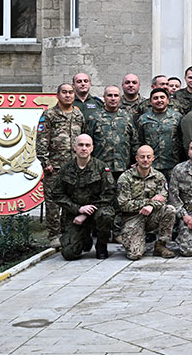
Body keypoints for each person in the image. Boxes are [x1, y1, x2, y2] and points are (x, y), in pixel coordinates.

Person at [49, 134, 116, 260]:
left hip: (97, 211)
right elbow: (57, 194)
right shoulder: (66, 169)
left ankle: (101, 245)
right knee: (69, 254)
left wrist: (85, 213)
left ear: (92, 148)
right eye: (80, 145)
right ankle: (85, 238)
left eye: (87, 145)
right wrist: (78, 209)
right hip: (74, 215)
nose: (84, 148)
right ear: (74, 147)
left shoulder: (101, 168)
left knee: (106, 215)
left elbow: (109, 194)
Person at [36, 83, 86, 244]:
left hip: (74, 167)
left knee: (71, 200)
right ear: (57, 95)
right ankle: (54, 235)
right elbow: (41, 140)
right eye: (64, 92)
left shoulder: (78, 115)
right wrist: (45, 162)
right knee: (52, 201)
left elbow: (83, 140)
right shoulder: (49, 115)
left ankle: (68, 231)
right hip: (55, 167)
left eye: (71, 92)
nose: (68, 95)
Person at [116, 145, 177, 260]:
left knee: (169, 210)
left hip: (151, 216)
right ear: (136, 158)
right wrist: (149, 202)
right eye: (142, 157)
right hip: (132, 218)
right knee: (135, 255)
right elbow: (123, 204)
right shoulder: (126, 177)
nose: (145, 160)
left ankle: (160, 245)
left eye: (148, 157)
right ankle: (137, 239)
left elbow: (163, 198)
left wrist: (151, 206)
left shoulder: (159, 177)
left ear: (153, 158)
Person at [86, 85, 137, 180]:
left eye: (116, 95)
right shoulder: (94, 118)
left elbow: (135, 141)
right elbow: (88, 142)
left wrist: (136, 161)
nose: (113, 98)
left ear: (120, 98)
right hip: (100, 167)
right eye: (109, 95)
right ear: (104, 97)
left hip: (123, 167)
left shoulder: (127, 117)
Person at [136, 88, 182, 180]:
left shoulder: (177, 117)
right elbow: (138, 140)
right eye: (156, 98)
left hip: (172, 163)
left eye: (162, 97)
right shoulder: (143, 119)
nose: (159, 100)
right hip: (150, 165)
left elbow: (182, 139)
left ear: (167, 100)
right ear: (150, 102)